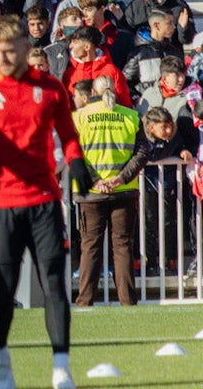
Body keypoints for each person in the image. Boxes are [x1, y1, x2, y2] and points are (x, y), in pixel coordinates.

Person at [0, 14, 93, 389]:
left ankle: (61, 369)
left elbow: (68, 133)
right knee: (3, 288)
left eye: (7, 50)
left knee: (53, 282)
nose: (0, 58)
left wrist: (77, 162)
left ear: (23, 47)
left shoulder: (49, 88)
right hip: (1, 205)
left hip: (45, 201)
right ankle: (0, 358)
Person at [71, 74, 148, 307]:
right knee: (123, 247)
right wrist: (121, 178)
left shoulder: (79, 117)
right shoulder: (131, 116)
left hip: (90, 193)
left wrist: (95, 181)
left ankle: (85, 302)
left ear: (91, 91)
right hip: (124, 190)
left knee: (90, 247)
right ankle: (128, 303)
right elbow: (142, 153)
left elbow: (73, 153)